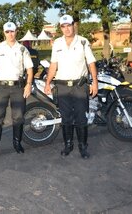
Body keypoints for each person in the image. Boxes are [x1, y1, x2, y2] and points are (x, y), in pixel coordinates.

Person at [44, 14, 98, 159]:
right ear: (60, 28)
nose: (67, 29)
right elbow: (53, 64)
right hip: (62, 87)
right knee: (66, 118)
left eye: (69, 25)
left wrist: (95, 83)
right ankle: (68, 145)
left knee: (81, 118)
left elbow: (91, 63)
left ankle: (82, 147)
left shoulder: (83, 42)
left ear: (73, 25)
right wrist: (48, 82)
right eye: (63, 26)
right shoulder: (57, 43)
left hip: (79, 86)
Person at [0, 22, 34, 155]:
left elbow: (29, 69)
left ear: (16, 31)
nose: (10, 34)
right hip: (1, 87)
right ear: (4, 33)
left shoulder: (22, 49)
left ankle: (17, 143)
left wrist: (28, 84)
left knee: (18, 117)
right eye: (7, 32)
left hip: (18, 87)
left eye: (12, 31)